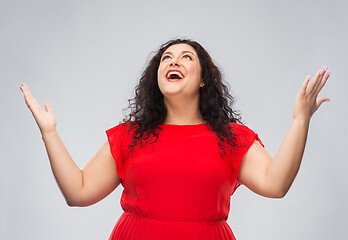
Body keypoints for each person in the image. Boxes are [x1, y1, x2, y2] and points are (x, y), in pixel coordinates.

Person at [20, 38, 331, 240]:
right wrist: (50, 132)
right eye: (166, 58)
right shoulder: (130, 136)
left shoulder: (232, 138)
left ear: (203, 78)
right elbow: (79, 192)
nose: (173, 62)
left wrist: (300, 120)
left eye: (186, 58)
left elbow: (276, 185)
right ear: (157, 77)